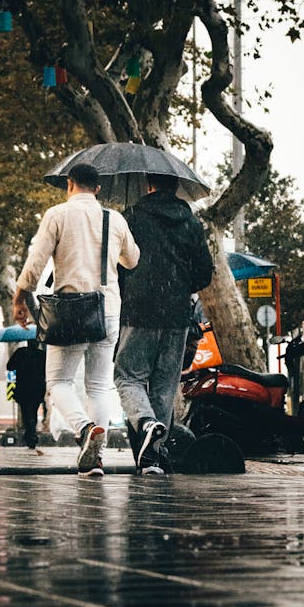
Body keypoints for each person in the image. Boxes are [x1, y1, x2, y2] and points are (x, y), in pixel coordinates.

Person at [13, 163, 140, 477]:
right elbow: (132, 259)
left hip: (70, 309)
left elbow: (36, 261)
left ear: (70, 184)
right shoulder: (115, 218)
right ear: (97, 188)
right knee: (98, 386)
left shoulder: (57, 215)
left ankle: (85, 431)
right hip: (107, 310)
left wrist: (20, 297)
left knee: (58, 382)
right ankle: (96, 459)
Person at [114, 173, 214, 475]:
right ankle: (152, 460)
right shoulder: (191, 222)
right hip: (177, 315)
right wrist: (181, 284)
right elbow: (204, 273)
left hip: (139, 311)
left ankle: (145, 423)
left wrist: (130, 287)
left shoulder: (131, 217)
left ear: (148, 186)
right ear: (176, 187)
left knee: (128, 376)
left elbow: (119, 265)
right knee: (164, 387)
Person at [7, 340, 47, 452]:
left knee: (26, 412)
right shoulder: (42, 355)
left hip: (23, 387)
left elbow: (9, 366)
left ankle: (30, 435)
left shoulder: (20, 352)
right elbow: (47, 370)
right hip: (37, 388)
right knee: (33, 412)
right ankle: (31, 434)